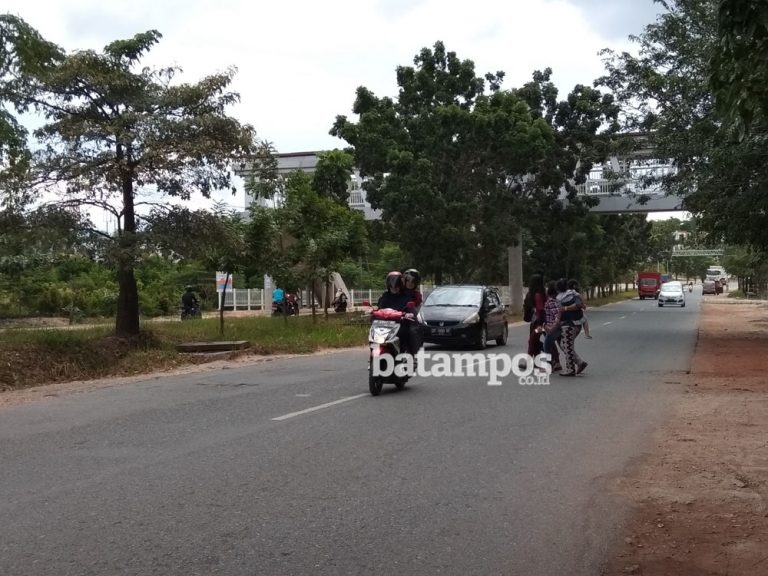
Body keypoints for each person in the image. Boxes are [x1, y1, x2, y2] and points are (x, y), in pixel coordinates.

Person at [376, 271, 416, 355]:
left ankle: (407, 353)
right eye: (392, 284)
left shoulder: (406, 297)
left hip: (400, 323)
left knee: (410, 332)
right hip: (384, 324)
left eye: (397, 284)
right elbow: (379, 308)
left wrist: (409, 314)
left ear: (401, 284)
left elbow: (411, 309)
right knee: (374, 335)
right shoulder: (384, 296)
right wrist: (372, 311)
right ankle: (373, 355)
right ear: (388, 285)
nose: (394, 287)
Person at [558, 279, 587, 376]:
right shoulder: (573, 294)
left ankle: (570, 369)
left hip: (570, 324)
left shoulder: (566, 296)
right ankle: (580, 362)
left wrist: (566, 308)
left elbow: (579, 305)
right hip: (576, 323)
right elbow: (582, 304)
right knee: (564, 345)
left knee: (567, 346)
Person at [524, 274, 547, 358]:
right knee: (535, 341)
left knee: (532, 341)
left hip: (540, 324)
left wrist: (540, 324)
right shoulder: (542, 293)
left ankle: (529, 360)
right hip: (539, 322)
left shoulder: (537, 295)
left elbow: (540, 310)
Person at [542, 281, 562, 372]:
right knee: (561, 346)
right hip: (553, 327)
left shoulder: (551, 302)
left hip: (553, 328)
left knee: (546, 346)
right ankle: (557, 364)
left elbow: (557, 315)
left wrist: (550, 328)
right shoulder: (556, 301)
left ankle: (549, 366)